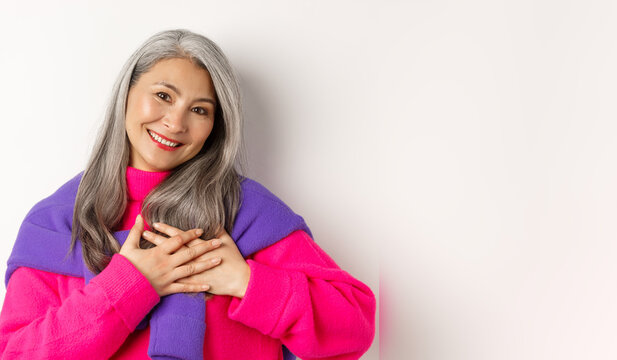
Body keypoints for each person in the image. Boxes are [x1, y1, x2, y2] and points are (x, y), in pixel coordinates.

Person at [0, 29, 376, 360]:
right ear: (127, 94)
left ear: (215, 126)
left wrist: (246, 282)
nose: (175, 122)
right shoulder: (56, 222)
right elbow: (17, 353)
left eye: (199, 109)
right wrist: (129, 285)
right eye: (163, 95)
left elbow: (353, 327)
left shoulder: (244, 213)